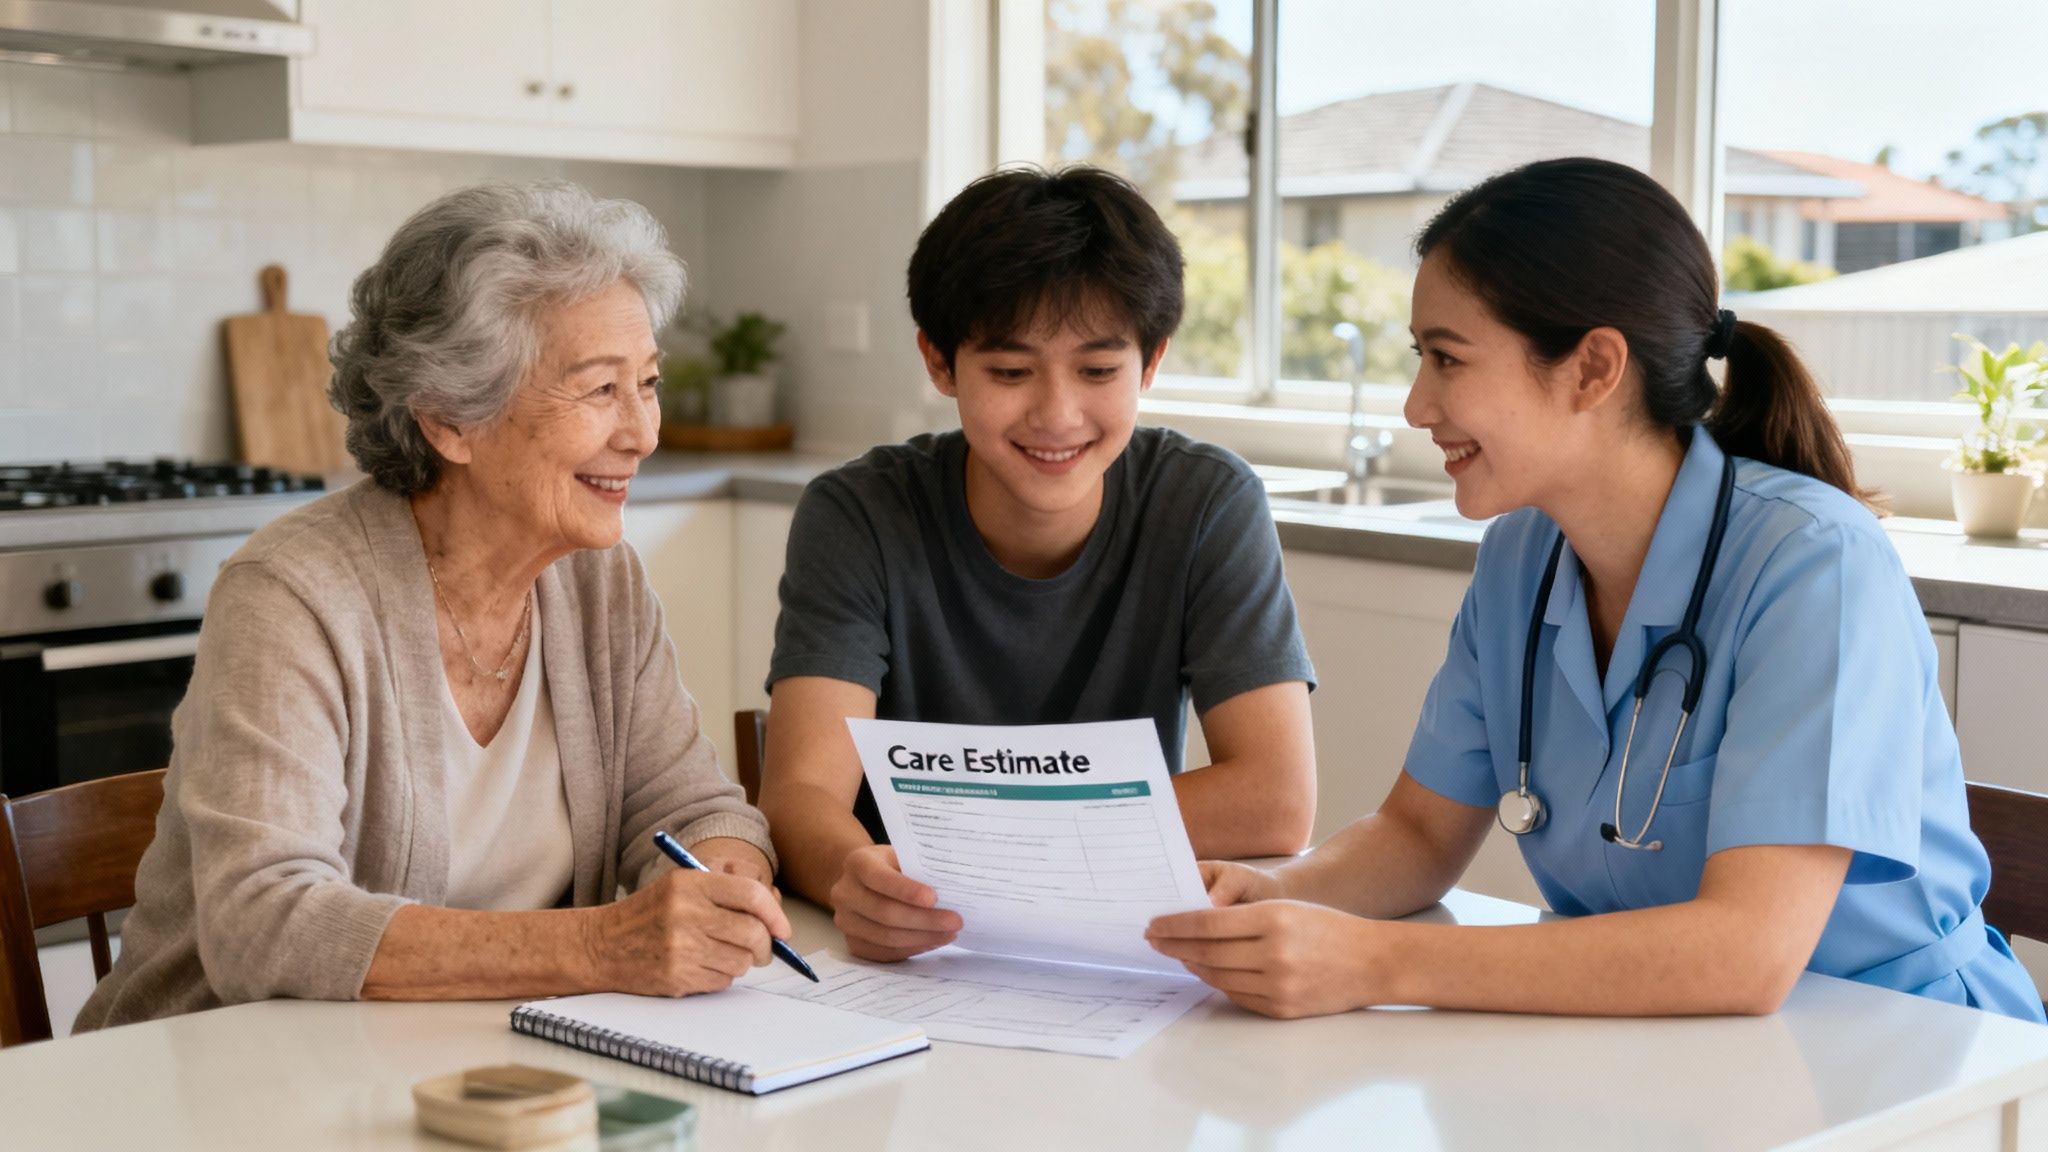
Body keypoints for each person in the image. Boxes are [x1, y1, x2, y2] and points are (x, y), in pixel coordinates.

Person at [1147, 157, 2046, 1023]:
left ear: (1593, 369)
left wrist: (1372, 964)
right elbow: (1417, 837)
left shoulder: (1816, 565)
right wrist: (1273, 894)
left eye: (1448, 360)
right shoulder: (1521, 556)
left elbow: (1747, 950)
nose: (1416, 405)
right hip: (1664, 1044)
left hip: (1906, 1052)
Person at [77, 182, 788, 1030]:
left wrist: (723, 882)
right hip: (220, 1078)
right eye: (601, 390)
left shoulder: (601, 583)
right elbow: (262, 921)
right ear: (450, 419)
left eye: (648, 383)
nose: (643, 432)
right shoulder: (295, 595)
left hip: (480, 1062)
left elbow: (690, 809)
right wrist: (601, 947)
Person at [757, 166, 1319, 962]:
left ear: (1150, 362)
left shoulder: (1205, 502)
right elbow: (802, 796)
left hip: (1119, 947)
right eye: (1011, 372)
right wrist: (856, 874)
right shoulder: (857, 514)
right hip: (920, 949)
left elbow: (1276, 798)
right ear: (939, 362)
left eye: (1097, 371)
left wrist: (965, 838)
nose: (1057, 415)